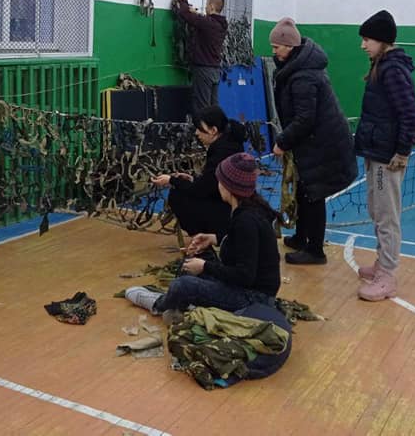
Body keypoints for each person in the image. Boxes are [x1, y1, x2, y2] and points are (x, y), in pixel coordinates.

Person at [125, 153, 281, 314]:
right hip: (248, 287)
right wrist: (213, 239)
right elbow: (245, 246)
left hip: (253, 297)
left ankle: (160, 305)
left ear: (228, 186)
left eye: (219, 181)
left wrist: (205, 267)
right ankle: (186, 302)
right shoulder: (249, 208)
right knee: (193, 260)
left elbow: (244, 275)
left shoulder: (246, 220)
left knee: (183, 285)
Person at [269, 17, 357, 266]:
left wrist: (282, 142)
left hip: (324, 143)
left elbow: (305, 119)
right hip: (313, 142)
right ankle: (301, 236)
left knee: (313, 193)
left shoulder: (304, 77)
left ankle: (315, 250)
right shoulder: (296, 70)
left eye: (277, 47)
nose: (273, 52)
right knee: (304, 189)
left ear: (290, 47)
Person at [354, 10, 415, 301]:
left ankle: (387, 277)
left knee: (386, 215)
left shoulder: (393, 71)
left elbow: (410, 115)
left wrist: (402, 152)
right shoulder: (381, 66)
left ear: (382, 40)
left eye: (367, 39)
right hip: (376, 150)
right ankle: (381, 262)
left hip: (388, 156)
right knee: (376, 209)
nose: (362, 45)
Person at [151, 105, 246, 240]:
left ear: (213, 130)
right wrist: (193, 179)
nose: (196, 133)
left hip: (227, 212)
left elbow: (202, 190)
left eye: (200, 129)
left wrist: (171, 180)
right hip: (236, 206)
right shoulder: (231, 143)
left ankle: (203, 241)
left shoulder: (221, 152)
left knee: (177, 196)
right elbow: (210, 183)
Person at [175, 0, 228, 114]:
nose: (205, 7)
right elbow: (203, 21)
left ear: (212, 7)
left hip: (204, 70)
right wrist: (197, 14)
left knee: (202, 108)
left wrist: (183, 0)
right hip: (215, 70)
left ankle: (203, 131)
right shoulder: (220, 24)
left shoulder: (208, 23)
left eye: (207, 5)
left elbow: (185, 14)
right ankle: (215, 132)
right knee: (213, 107)